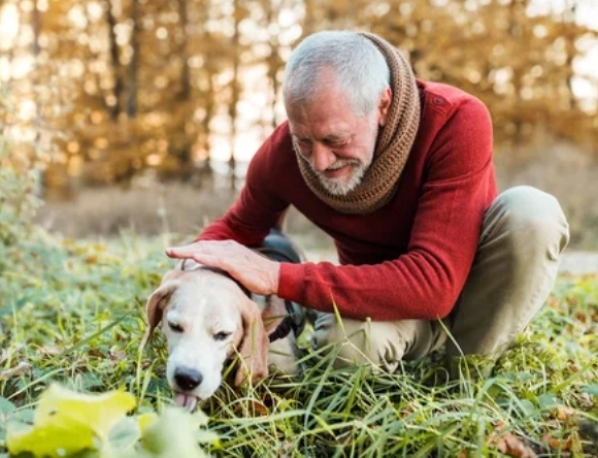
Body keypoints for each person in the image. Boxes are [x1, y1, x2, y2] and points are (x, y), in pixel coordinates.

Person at [166, 30, 570, 376]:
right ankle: (393, 373)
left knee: (532, 214)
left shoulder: (456, 121)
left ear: (382, 105)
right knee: (345, 343)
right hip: (386, 309)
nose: (319, 161)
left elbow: (434, 285)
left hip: (474, 300)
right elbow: (237, 229)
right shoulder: (283, 155)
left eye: (335, 140)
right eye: (303, 140)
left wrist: (277, 277)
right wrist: (193, 271)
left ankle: (465, 375)